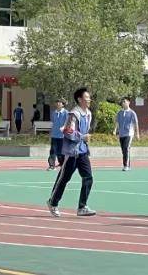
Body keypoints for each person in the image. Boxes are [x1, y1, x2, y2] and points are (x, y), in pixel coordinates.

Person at [46, 87, 95, 218]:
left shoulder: (88, 114)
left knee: (88, 178)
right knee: (64, 178)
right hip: (72, 153)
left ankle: (82, 207)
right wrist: (82, 137)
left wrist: (86, 144)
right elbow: (68, 131)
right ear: (79, 99)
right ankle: (53, 202)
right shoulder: (74, 114)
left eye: (89, 97)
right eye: (86, 97)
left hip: (82, 152)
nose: (89, 99)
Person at [114, 98, 138, 171]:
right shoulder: (119, 113)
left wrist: (137, 134)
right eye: (122, 102)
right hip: (121, 134)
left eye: (124, 102)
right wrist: (115, 130)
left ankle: (126, 166)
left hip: (129, 134)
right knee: (123, 150)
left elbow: (136, 123)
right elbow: (117, 122)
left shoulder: (132, 113)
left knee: (126, 148)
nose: (123, 103)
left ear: (128, 102)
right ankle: (127, 165)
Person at [47, 99, 68, 171]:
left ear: (63, 104)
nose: (58, 103)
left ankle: (62, 164)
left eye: (60, 102)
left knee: (61, 152)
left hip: (63, 136)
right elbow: (52, 123)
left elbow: (68, 122)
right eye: (57, 102)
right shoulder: (54, 113)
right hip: (54, 135)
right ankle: (51, 165)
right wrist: (50, 133)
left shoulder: (66, 113)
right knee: (53, 151)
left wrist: (64, 127)